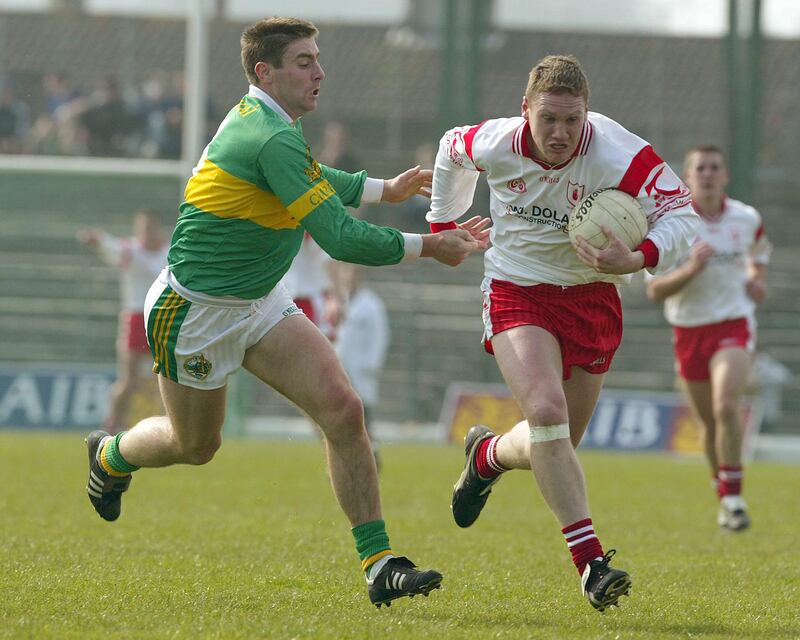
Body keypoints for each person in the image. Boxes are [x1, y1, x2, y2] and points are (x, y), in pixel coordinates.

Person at [83, 16, 489, 609]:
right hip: (194, 314)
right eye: (303, 61)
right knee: (196, 446)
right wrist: (429, 246)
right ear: (263, 72)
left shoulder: (271, 124)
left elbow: (309, 178)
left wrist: (382, 188)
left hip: (259, 302)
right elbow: (342, 239)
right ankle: (109, 454)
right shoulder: (270, 136)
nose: (319, 71)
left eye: (317, 58)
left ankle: (379, 563)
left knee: (344, 411)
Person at [426, 54, 699, 611]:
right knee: (548, 415)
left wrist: (640, 255)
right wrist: (441, 226)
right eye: (547, 118)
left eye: (572, 121)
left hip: (593, 295)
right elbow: (451, 147)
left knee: (557, 444)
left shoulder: (621, 154)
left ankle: (487, 458)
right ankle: (592, 565)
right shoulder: (496, 142)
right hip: (516, 289)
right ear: (524, 110)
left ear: (587, 116)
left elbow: (683, 214)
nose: (559, 132)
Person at [645, 145, 770, 532]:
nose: (709, 174)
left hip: (733, 323)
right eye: (701, 168)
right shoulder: (673, 223)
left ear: (725, 176)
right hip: (688, 329)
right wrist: (691, 269)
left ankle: (734, 497)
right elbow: (655, 291)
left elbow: (759, 252)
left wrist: (756, 278)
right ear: (687, 178)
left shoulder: (746, 218)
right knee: (708, 424)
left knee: (725, 405)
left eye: (716, 167)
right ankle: (724, 496)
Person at [77, 210, 168, 434]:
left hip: (161, 318)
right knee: (128, 380)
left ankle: (166, 426)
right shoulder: (132, 250)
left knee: (165, 380)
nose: (147, 234)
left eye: (151, 228)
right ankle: (112, 424)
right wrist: (97, 239)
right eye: (143, 229)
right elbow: (111, 247)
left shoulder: (169, 253)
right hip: (136, 318)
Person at [333, 263, 390, 468]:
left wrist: (371, 364)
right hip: (342, 367)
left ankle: (371, 456)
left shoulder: (371, 304)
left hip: (362, 370)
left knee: (364, 416)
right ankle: (348, 460)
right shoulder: (341, 302)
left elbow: (380, 336)